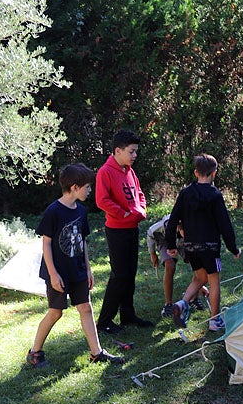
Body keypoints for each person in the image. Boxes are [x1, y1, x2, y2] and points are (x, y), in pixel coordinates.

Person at [27, 163, 125, 368]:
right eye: (87, 187)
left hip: (78, 270)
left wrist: (88, 269)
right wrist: (53, 274)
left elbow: (83, 241)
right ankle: (35, 352)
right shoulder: (53, 211)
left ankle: (96, 353)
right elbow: (46, 243)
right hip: (58, 272)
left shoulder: (81, 210)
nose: (90, 191)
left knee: (86, 308)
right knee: (55, 312)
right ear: (74, 187)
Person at [165, 153, 241, 331]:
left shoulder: (185, 193)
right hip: (210, 248)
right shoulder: (215, 195)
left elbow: (173, 220)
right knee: (214, 282)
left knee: (200, 277)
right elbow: (225, 225)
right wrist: (233, 248)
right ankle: (215, 320)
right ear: (214, 173)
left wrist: (171, 244)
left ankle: (182, 303)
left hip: (191, 247)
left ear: (195, 172)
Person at [95, 129, 152, 334]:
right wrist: (123, 214)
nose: (135, 155)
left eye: (136, 151)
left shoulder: (129, 170)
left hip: (132, 228)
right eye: (131, 151)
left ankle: (128, 315)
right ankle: (104, 322)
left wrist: (142, 209)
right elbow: (102, 200)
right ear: (117, 151)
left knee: (130, 274)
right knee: (119, 276)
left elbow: (139, 193)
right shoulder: (105, 171)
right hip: (117, 230)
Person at [146, 215, 208, 319]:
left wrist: (200, 284)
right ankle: (168, 305)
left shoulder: (193, 226)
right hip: (164, 239)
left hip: (183, 242)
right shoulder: (164, 226)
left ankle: (193, 298)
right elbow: (150, 233)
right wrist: (152, 254)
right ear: (179, 228)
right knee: (170, 265)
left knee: (199, 264)